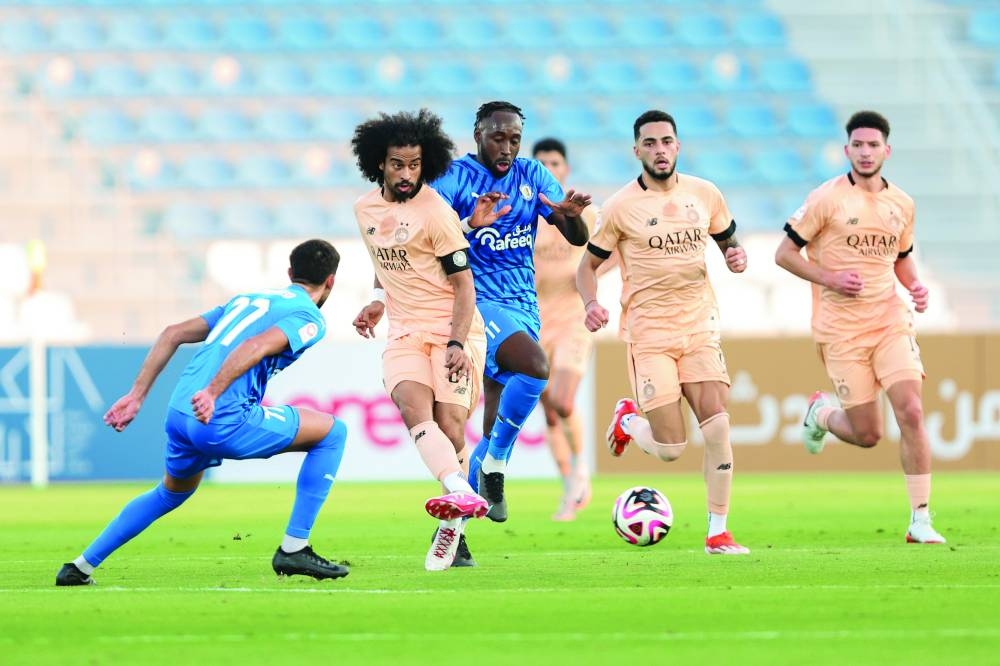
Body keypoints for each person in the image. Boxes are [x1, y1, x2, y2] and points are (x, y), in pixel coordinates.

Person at [56, 240, 350, 586]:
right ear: (330, 281)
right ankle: (294, 547)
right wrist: (212, 393)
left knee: (171, 492)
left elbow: (173, 333)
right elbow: (254, 347)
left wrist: (137, 395)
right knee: (333, 432)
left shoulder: (246, 300)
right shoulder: (308, 316)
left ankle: (79, 566)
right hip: (220, 417)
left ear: (289, 273)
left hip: (180, 413)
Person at [577, 109, 751, 556]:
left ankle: (718, 531)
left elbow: (729, 240)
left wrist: (736, 256)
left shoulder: (705, 194)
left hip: (699, 329)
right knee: (672, 448)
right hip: (649, 335)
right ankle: (629, 421)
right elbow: (588, 267)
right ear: (636, 150)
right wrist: (591, 303)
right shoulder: (619, 207)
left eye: (666, 141)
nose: (659, 150)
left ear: (678, 145)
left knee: (717, 428)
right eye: (650, 143)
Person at [774, 110, 945, 544]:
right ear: (847, 149)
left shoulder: (902, 203)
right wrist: (830, 278)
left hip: (889, 320)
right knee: (868, 434)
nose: (865, 152)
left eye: (873, 145)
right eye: (858, 145)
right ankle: (822, 413)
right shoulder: (825, 199)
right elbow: (785, 254)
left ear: (886, 151)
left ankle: (920, 519)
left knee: (912, 410)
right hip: (841, 331)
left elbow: (901, 257)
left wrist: (916, 286)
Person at [431, 101, 592, 523]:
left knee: (490, 422)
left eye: (514, 140)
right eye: (498, 138)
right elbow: (428, 239)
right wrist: (469, 221)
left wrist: (569, 218)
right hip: (478, 304)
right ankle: (497, 463)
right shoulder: (455, 178)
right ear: (478, 135)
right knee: (536, 368)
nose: (507, 148)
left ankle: (456, 528)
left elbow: (577, 237)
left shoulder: (533, 175)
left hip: (524, 307)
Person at [350, 109, 490, 571]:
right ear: (379, 164)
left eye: (413, 164)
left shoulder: (437, 213)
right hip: (405, 332)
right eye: (396, 164)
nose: (406, 174)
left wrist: (455, 343)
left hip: (454, 329)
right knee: (413, 408)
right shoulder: (364, 210)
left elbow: (464, 284)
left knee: (452, 428)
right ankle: (461, 493)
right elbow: (385, 256)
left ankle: (454, 526)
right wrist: (375, 298)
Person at [531, 137, 599, 521]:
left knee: (564, 400)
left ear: (565, 169)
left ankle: (581, 469)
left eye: (555, 163)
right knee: (549, 414)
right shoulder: (524, 214)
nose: (550, 169)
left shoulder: (585, 213)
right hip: (535, 321)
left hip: (573, 320)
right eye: (542, 164)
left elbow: (608, 254)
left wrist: (594, 296)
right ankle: (568, 486)